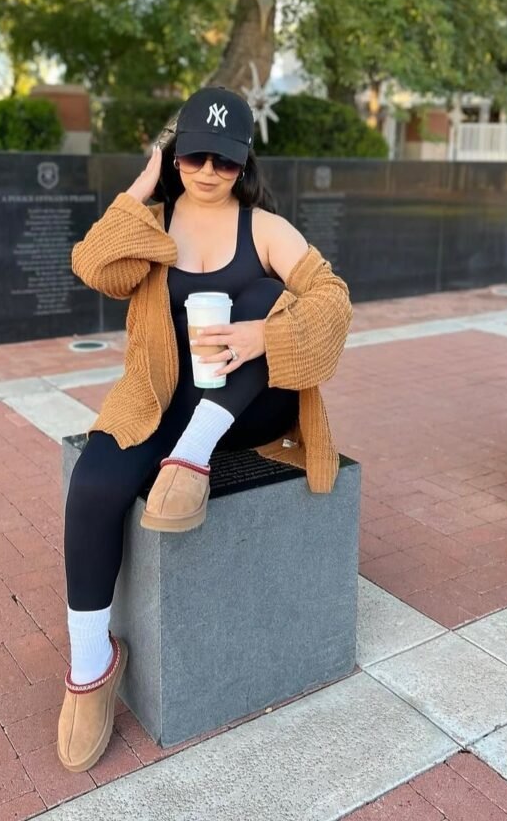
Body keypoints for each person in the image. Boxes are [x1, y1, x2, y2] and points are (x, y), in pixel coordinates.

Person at [57, 85, 353, 773]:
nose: (208, 172)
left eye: (223, 161)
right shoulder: (152, 226)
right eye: (193, 155)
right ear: (174, 154)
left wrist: (257, 336)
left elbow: (333, 301)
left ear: (243, 163)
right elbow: (93, 266)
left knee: (271, 296)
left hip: (250, 406)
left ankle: (191, 460)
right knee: (95, 484)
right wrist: (143, 180)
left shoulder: (265, 228)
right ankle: (89, 666)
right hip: (163, 400)